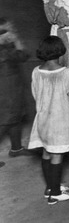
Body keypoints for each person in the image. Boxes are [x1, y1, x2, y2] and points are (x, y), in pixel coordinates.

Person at [28, 36, 69, 204]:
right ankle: (54, 193)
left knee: (46, 152)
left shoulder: (36, 72)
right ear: (60, 53)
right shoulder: (67, 73)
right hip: (59, 120)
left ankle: (50, 185)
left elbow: (35, 94)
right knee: (57, 155)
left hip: (42, 120)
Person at [0, 18, 36, 159]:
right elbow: (19, 56)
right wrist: (13, 40)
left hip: (12, 84)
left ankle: (16, 149)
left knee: (15, 115)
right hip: (4, 86)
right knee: (5, 119)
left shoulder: (7, 44)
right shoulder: (3, 47)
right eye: (5, 30)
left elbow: (23, 56)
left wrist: (14, 40)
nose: (10, 32)